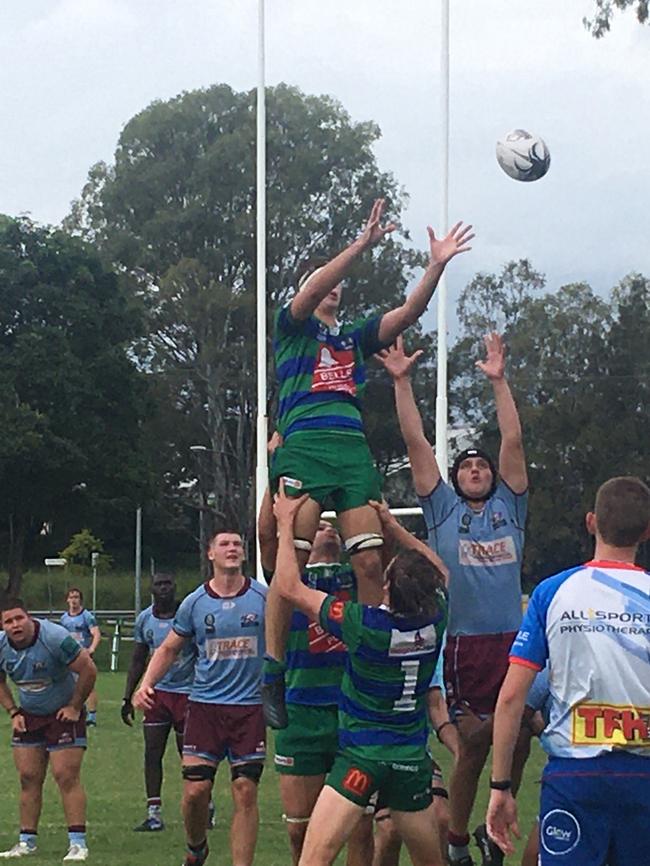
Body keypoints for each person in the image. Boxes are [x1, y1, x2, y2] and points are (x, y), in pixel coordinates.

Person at [263, 198, 474, 728]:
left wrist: (435, 266)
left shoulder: (353, 336)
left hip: (351, 452)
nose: (332, 288)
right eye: (324, 280)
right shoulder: (292, 328)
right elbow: (310, 290)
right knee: (293, 557)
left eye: (338, 283)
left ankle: (365, 666)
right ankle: (272, 671)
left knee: (369, 563)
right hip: (306, 449)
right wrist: (361, 244)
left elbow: (408, 314)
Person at [377, 332, 529, 866]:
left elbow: (511, 440)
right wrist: (401, 382)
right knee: (474, 744)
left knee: (520, 737)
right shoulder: (442, 510)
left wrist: (498, 380)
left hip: (513, 641)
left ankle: (492, 825)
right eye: (466, 466)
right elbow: (418, 442)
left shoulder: (511, 507)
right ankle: (461, 840)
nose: (475, 470)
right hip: (463, 645)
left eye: (480, 466)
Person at [272, 479, 450, 866]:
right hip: (409, 759)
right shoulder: (435, 619)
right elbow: (440, 571)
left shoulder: (364, 624)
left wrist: (286, 525)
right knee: (431, 861)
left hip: (362, 756)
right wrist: (394, 527)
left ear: (386, 587)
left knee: (314, 858)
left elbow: (287, 585)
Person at [486, 476, 650, 866]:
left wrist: (500, 786)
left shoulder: (552, 592)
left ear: (591, 522)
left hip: (574, 778)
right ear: (647, 531)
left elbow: (511, 697)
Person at [133, 529, 267, 866]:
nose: (232, 548)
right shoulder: (195, 602)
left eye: (238, 544)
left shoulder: (263, 598)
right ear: (211, 554)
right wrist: (145, 684)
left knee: (245, 790)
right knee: (195, 793)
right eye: (224, 544)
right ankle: (196, 848)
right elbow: (168, 649)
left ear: (244, 554)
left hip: (249, 708)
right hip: (205, 707)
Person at [258, 490, 374, 866]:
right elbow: (266, 538)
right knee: (299, 828)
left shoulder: (355, 578)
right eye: (320, 524)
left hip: (351, 712)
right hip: (299, 711)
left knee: (359, 826)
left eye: (333, 526)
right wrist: (278, 485)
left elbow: (373, 548)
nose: (328, 528)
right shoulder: (289, 582)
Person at [0, 599, 97, 861]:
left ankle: (78, 843)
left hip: (62, 714)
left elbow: (88, 669)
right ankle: (26, 841)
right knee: (28, 777)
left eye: (19, 618)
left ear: (29, 618)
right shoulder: (1, 645)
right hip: (29, 715)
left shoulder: (55, 637)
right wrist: (13, 711)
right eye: (8, 621)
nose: (15, 625)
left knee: (65, 775)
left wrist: (76, 706)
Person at [122, 572, 197, 832]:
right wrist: (127, 696)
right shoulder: (145, 619)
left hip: (188, 692)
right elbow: (138, 659)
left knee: (190, 754)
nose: (164, 588)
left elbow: (202, 653)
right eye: (159, 584)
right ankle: (154, 812)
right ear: (151, 589)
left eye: (168, 583)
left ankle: (202, 804)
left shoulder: (187, 615)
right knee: (152, 752)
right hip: (157, 694)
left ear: (175, 587)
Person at [60, 588, 101, 726]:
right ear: (67, 600)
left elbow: (96, 633)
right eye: (71, 597)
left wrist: (92, 649)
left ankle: (92, 716)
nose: (73, 600)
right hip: (69, 656)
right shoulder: (64, 618)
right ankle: (73, 710)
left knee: (88, 684)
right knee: (69, 684)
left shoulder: (87, 616)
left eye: (76, 597)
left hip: (83, 656)